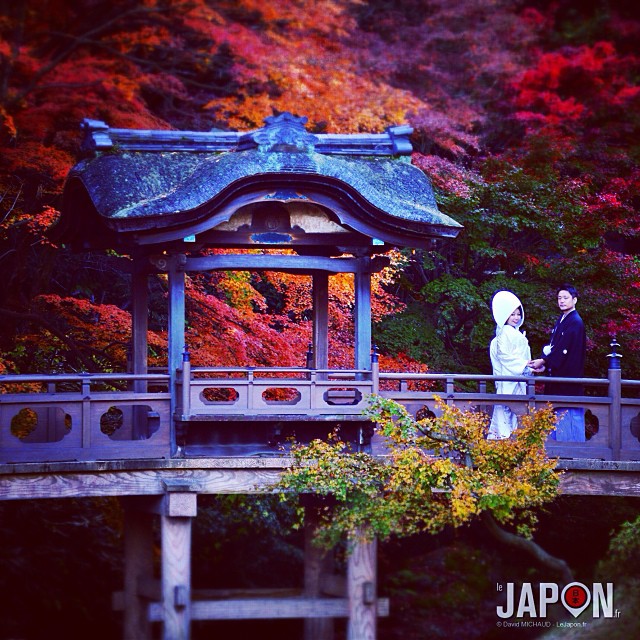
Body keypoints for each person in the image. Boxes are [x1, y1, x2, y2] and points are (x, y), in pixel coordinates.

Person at [529, 284, 586, 441]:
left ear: (574, 300)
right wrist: (546, 363)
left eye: (565, 298)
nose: (561, 301)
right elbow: (556, 347)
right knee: (556, 411)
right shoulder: (563, 320)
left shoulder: (575, 322)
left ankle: (570, 449)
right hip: (558, 374)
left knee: (566, 410)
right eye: (559, 298)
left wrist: (544, 361)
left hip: (568, 376)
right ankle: (557, 449)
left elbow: (563, 349)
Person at [488, 290, 532, 439]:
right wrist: (524, 364)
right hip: (508, 377)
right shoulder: (504, 333)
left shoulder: (515, 333)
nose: (516, 317)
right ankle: (502, 440)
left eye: (518, 314)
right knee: (506, 411)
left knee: (511, 413)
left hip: (517, 378)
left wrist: (527, 365)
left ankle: (505, 440)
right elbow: (504, 356)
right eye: (512, 314)